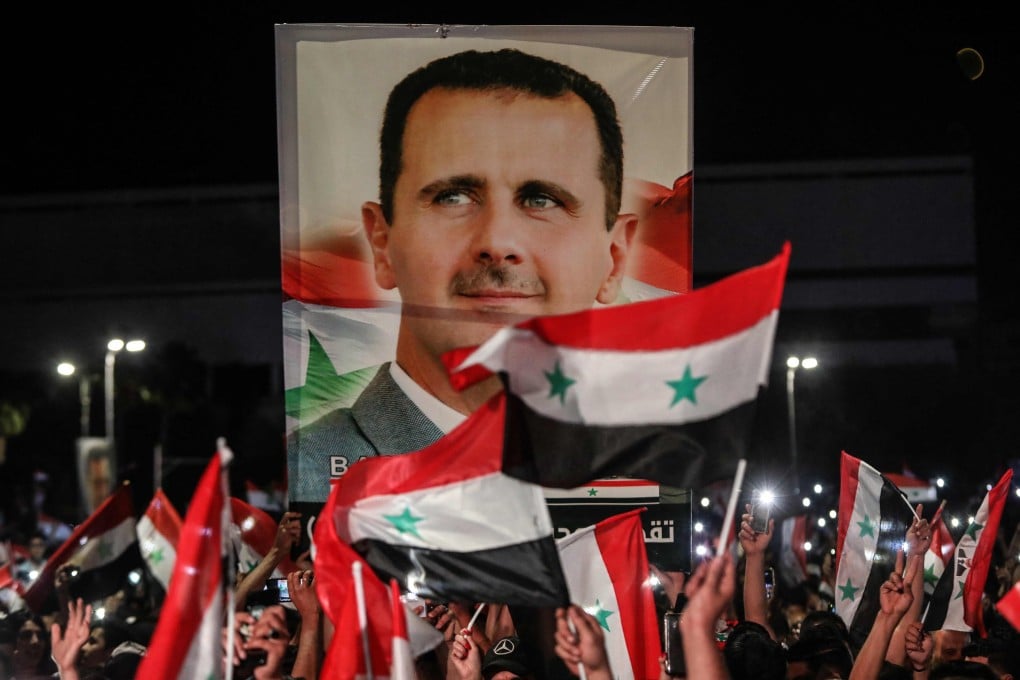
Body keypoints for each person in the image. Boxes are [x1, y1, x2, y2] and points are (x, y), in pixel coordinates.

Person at [288, 47, 637, 504]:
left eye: (542, 199)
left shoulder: (640, 479)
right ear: (381, 244)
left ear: (612, 257)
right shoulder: (308, 478)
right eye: (453, 197)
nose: (497, 240)